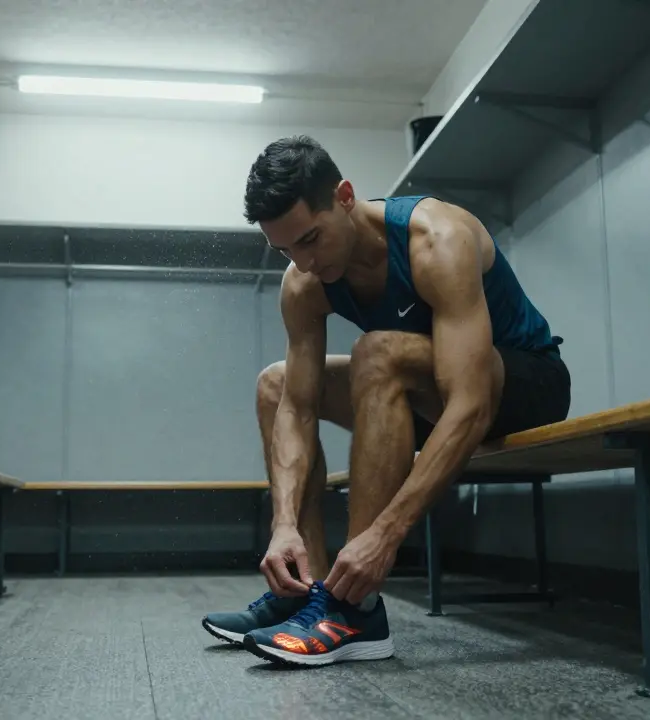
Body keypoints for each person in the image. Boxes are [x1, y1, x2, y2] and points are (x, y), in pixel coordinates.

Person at [200, 135, 571, 667]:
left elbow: (471, 405)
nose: (302, 263)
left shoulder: (436, 240)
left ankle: (356, 608)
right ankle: (308, 595)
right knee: (275, 385)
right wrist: (282, 524)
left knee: (378, 353)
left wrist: (386, 534)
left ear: (345, 196)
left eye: (310, 239)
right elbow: (298, 409)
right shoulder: (304, 282)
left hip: (523, 385)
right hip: (424, 398)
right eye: (286, 251)